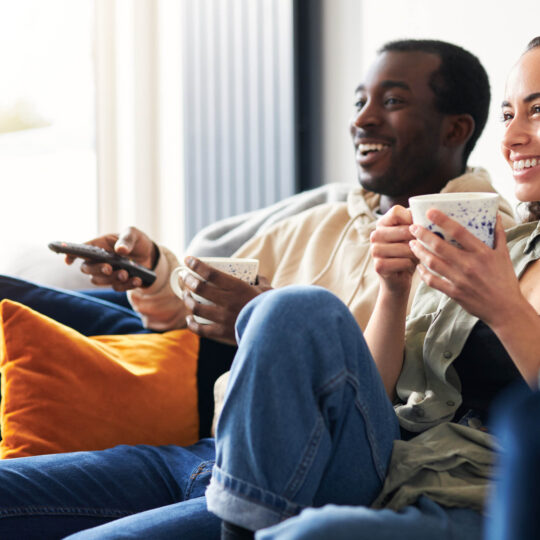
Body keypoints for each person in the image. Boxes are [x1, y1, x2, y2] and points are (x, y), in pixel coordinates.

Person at [0, 39, 514, 540]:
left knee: (295, 308)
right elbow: (192, 307)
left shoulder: (485, 244)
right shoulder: (313, 223)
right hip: (210, 451)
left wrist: (265, 313)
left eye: (393, 101)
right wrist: (155, 269)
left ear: (456, 128)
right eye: (360, 101)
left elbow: (401, 399)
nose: (363, 119)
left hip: (312, 470)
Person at [203, 36, 540, 540]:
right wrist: (394, 288)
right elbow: (381, 400)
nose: (512, 137)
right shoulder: (496, 241)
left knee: (309, 535)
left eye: (537, 112)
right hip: (389, 466)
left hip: (482, 494)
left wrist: (503, 308)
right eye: (509, 115)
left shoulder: (487, 248)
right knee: (294, 308)